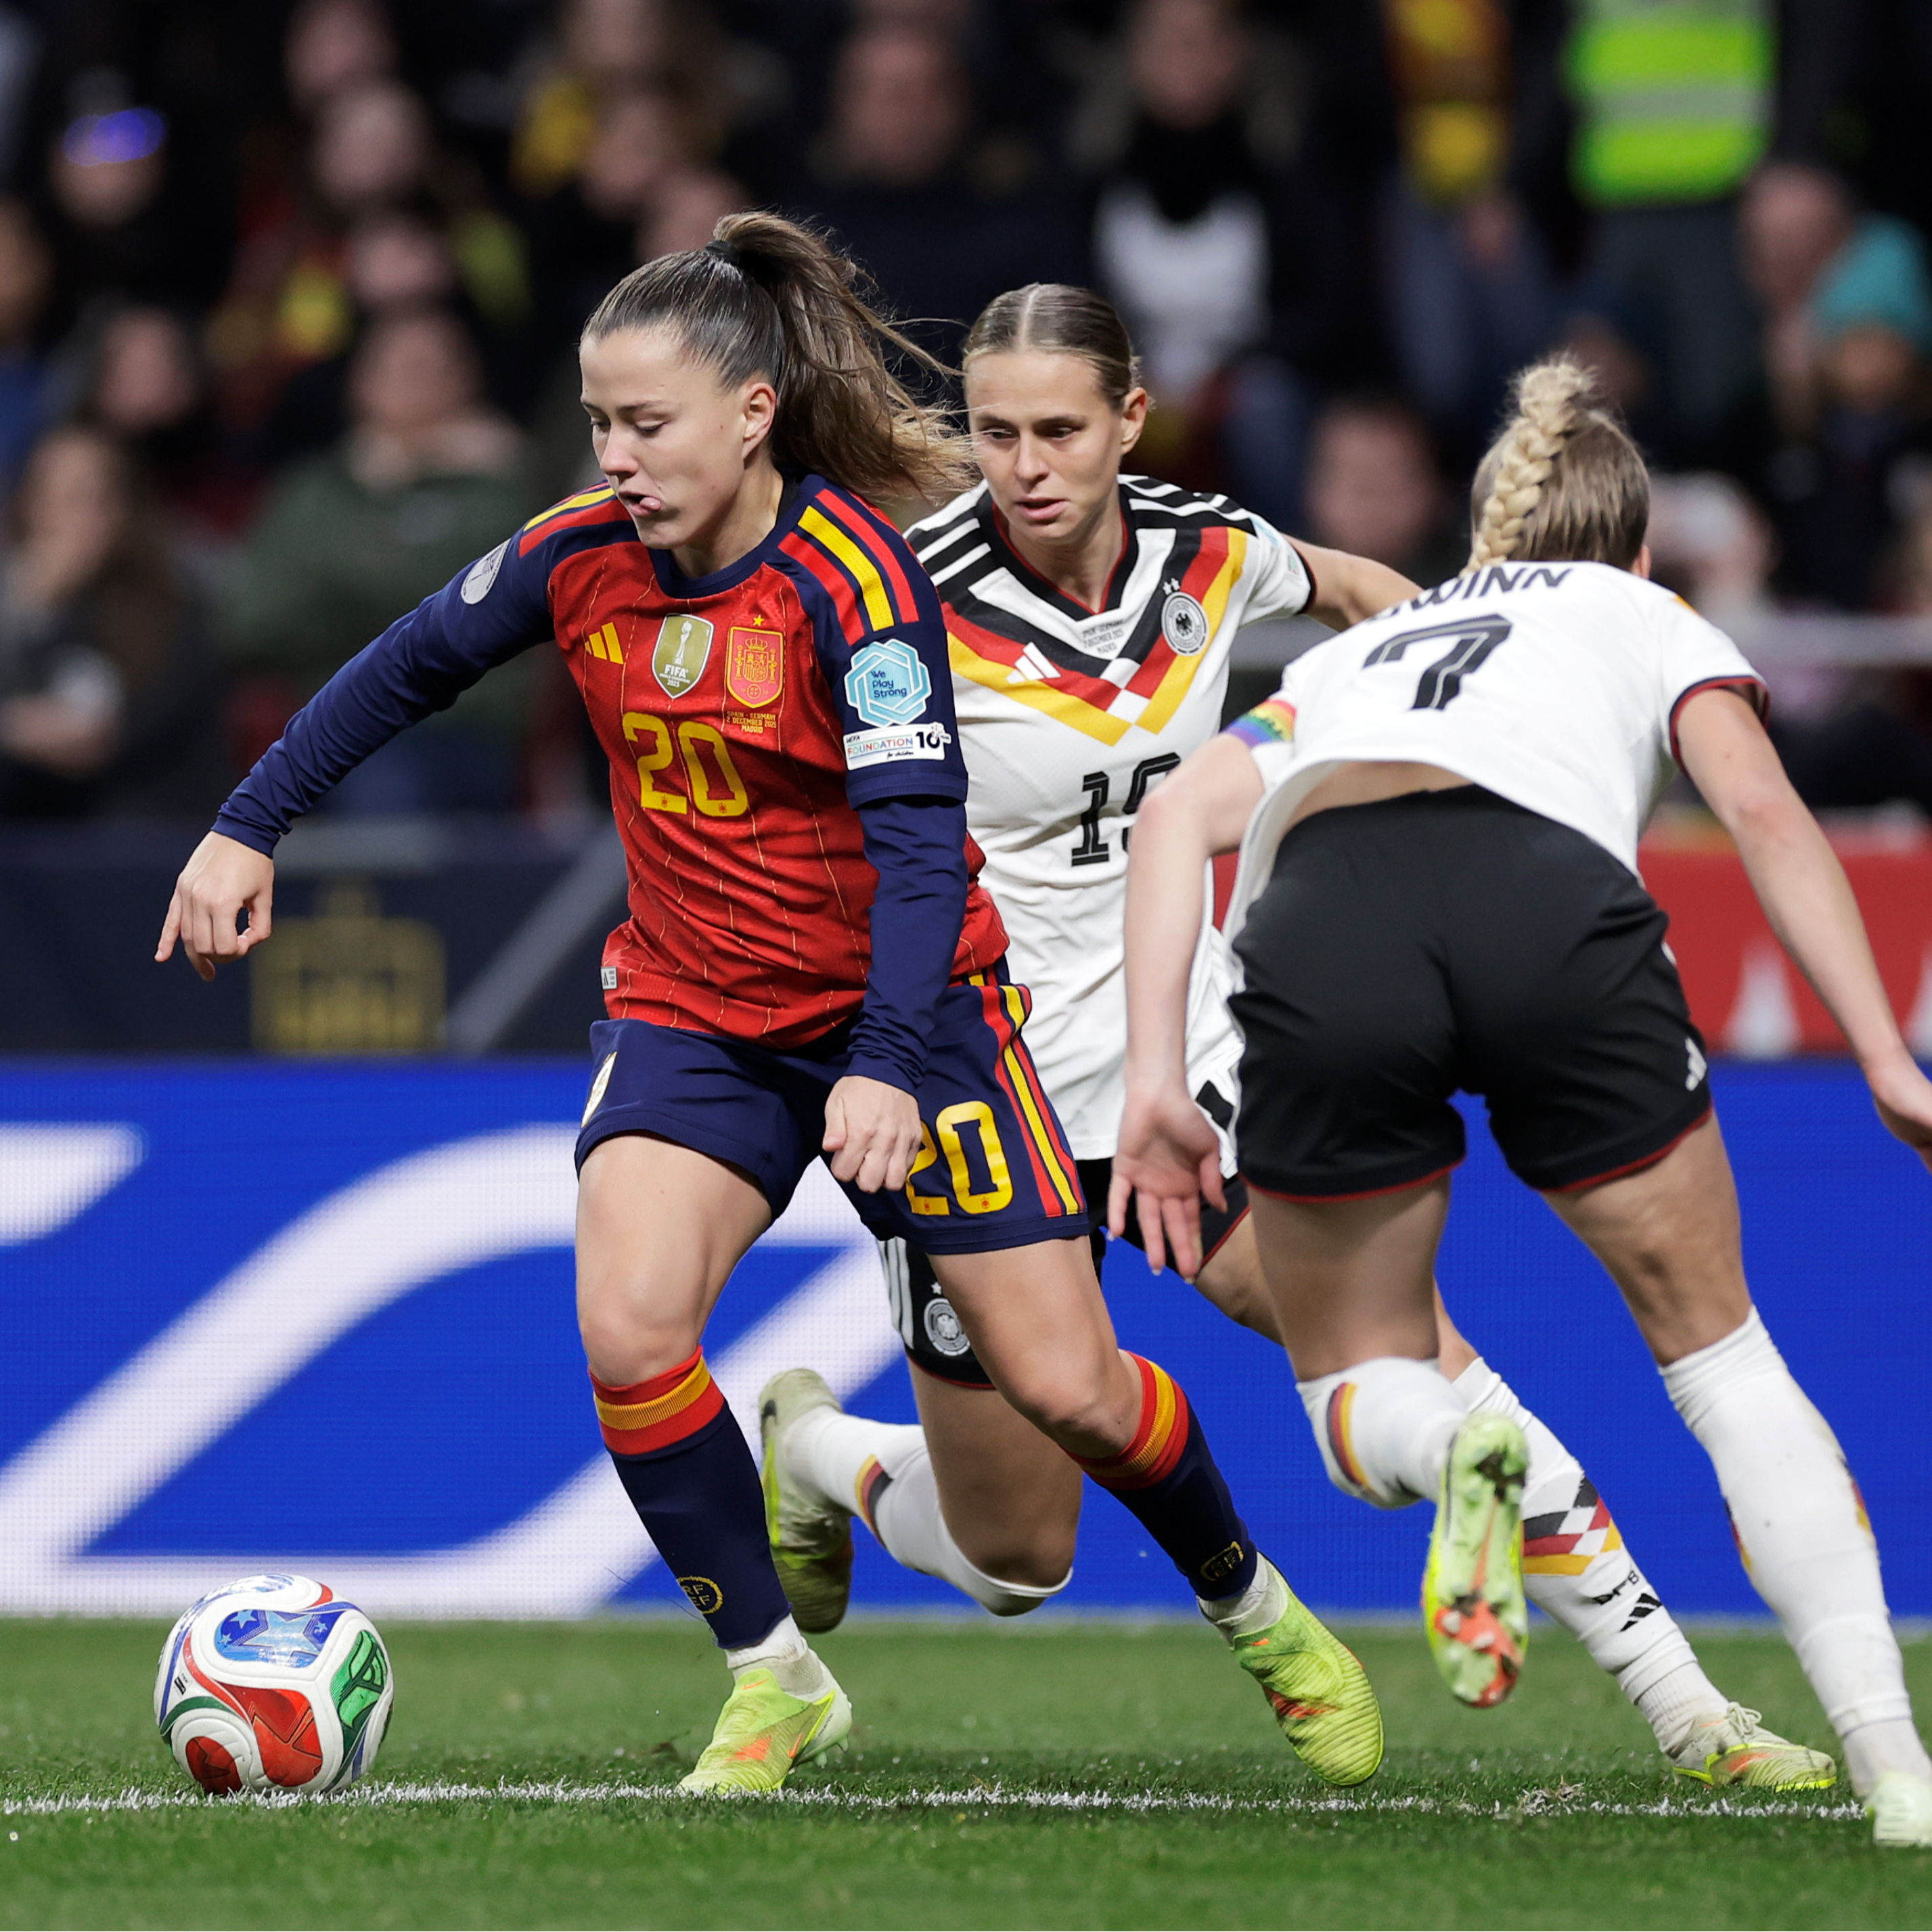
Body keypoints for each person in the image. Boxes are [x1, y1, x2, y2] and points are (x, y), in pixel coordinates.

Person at [155, 215, 1378, 1796]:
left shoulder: (850, 588)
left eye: (645, 423)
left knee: (1068, 1390)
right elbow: (402, 664)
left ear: (749, 413)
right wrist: (245, 823)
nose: (616, 456)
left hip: (912, 1016)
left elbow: (920, 849)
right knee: (628, 1323)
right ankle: (774, 1677)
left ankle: (1256, 1608)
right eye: (599, 423)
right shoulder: (573, 550)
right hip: (693, 1009)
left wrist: (880, 1064)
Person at [759, 288, 1833, 1793]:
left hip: (1189, 1072)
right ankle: (815, 1453)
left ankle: (1686, 1708)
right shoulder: (904, 599)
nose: (1024, 464)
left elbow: (1367, 602)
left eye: (1059, 428)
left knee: (1438, 1372)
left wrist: (1458, 715)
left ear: (1130, 419)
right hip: (976, 1090)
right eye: (995, 432)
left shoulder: (1211, 550)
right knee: (1013, 1555)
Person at [1113, 355, 1932, 1848]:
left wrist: (1160, 1084)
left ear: (1485, 544)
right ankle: (1896, 1768)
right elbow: (1759, 807)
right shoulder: (1637, 610)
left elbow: (1175, 815)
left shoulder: (1363, 651)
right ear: (1624, 548)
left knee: (1354, 1390)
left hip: (1327, 917)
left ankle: (1456, 1455)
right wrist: (1882, 1051)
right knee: (1723, 1360)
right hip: (1543, 893)